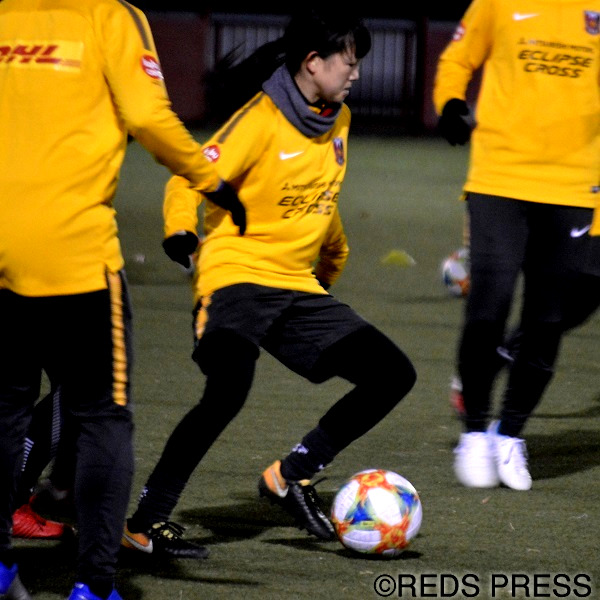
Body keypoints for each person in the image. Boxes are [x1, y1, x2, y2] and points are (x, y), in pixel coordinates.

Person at [120, 7, 417, 559]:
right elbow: (189, 176)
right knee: (228, 389)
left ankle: (291, 474)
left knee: (392, 373)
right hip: (235, 278)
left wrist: (333, 261)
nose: (356, 73)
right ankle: (145, 522)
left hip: (295, 285)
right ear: (313, 62)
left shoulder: (338, 120)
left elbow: (321, 200)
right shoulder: (259, 120)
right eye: (349, 62)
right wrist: (181, 231)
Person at [0, 0, 243, 598]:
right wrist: (210, 180)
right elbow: (147, 115)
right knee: (103, 418)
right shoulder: (110, 16)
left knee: (4, 411)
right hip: (76, 257)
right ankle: (94, 584)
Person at [433, 0, 600, 492]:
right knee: (490, 304)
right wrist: (450, 103)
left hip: (573, 186)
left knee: (547, 320)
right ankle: (474, 434)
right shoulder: (498, 2)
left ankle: (509, 434)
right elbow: (457, 58)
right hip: (499, 178)